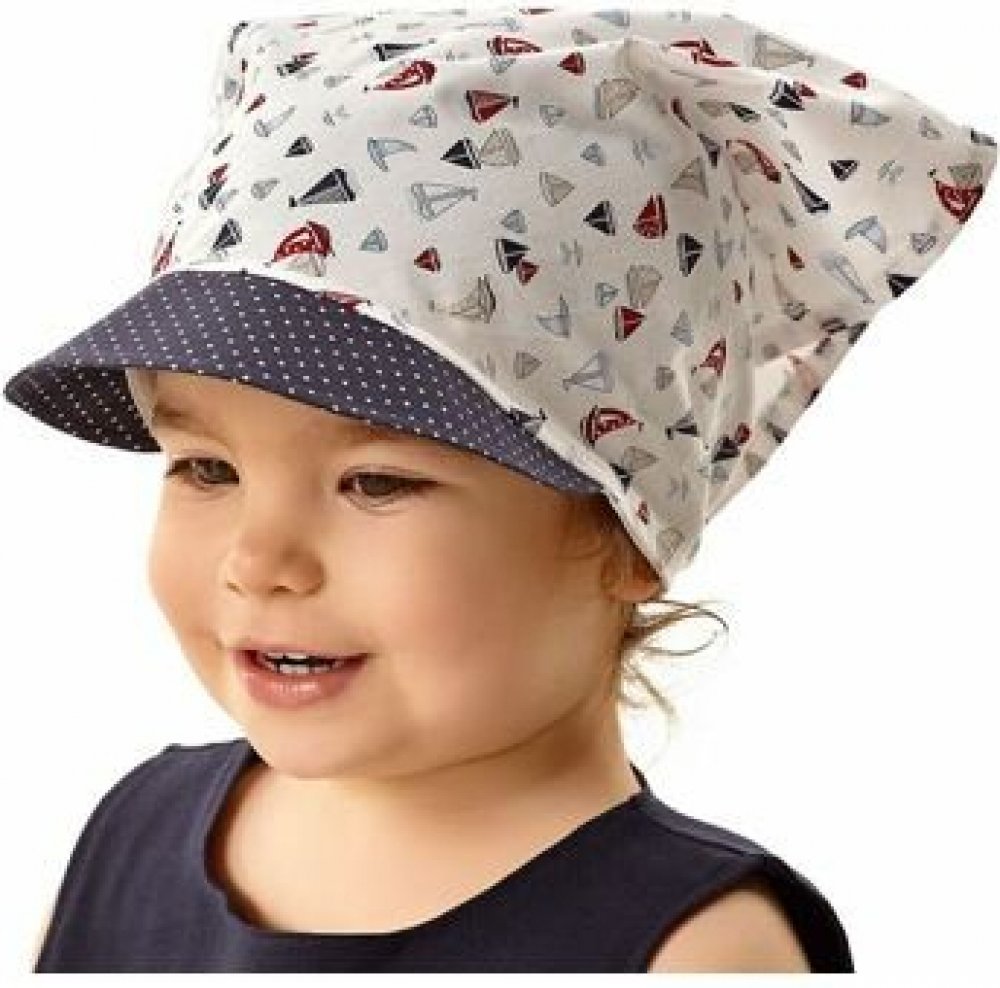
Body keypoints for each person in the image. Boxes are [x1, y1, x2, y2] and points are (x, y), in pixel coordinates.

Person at [4, 4, 995, 973]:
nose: (258, 562)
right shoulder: (128, 832)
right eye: (206, 467)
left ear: (627, 531)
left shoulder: (692, 951)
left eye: (375, 481)